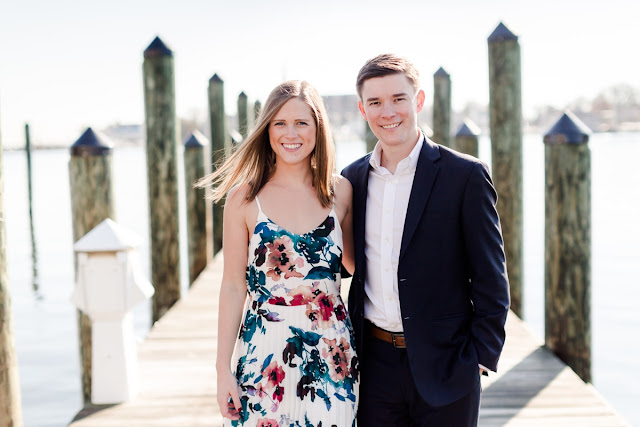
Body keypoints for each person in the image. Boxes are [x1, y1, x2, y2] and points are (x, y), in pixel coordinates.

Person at [341, 54, 510, 426]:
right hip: (373, 366)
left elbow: (490, 276)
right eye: (375, 102)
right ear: (362, 109)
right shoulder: (350, 179)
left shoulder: (464, 175)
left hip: (448, 364)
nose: (388, 112)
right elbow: (343, 261)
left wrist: (480, 357)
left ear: (418, 101)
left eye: (398, 99)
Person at [200, 80, 359, 427]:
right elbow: (231, 286)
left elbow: (356, 266)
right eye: (280, 123)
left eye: (302, 122)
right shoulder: (244, 198)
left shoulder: (341, 191)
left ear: (318, 129)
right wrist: (221, 369)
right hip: (264, 352)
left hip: (332, 351)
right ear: (267, 129)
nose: (292, 133)